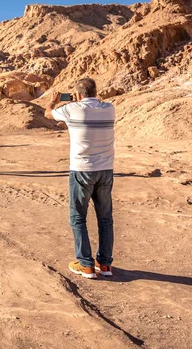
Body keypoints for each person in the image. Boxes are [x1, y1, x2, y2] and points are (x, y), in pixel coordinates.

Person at [45, 78, 115, 279]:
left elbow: (47, 113)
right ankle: (105, 264)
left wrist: (54, 100)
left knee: (78, 217)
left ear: (77, 94)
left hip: (82, 169)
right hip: (106, 170)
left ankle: (85, 264)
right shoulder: (109, 109)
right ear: (95, 91)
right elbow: (95, 104)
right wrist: (83, 99)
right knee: (105, 218)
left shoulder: (72, 109)